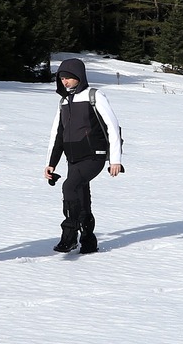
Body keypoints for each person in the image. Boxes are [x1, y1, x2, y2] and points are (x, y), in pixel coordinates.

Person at [43, 58, 123, 252]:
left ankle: (70, 236)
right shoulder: (63, 101)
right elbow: (58, 134)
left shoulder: (94, 96)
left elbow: (113, 127)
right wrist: (50, 163)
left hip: (94, 156)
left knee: (69, 186)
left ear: (80, 77)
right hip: (73, 158)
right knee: (81, 197)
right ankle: (88, 240)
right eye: (62, 78)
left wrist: (115, 160)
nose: (65, 82)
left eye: (69, 78)